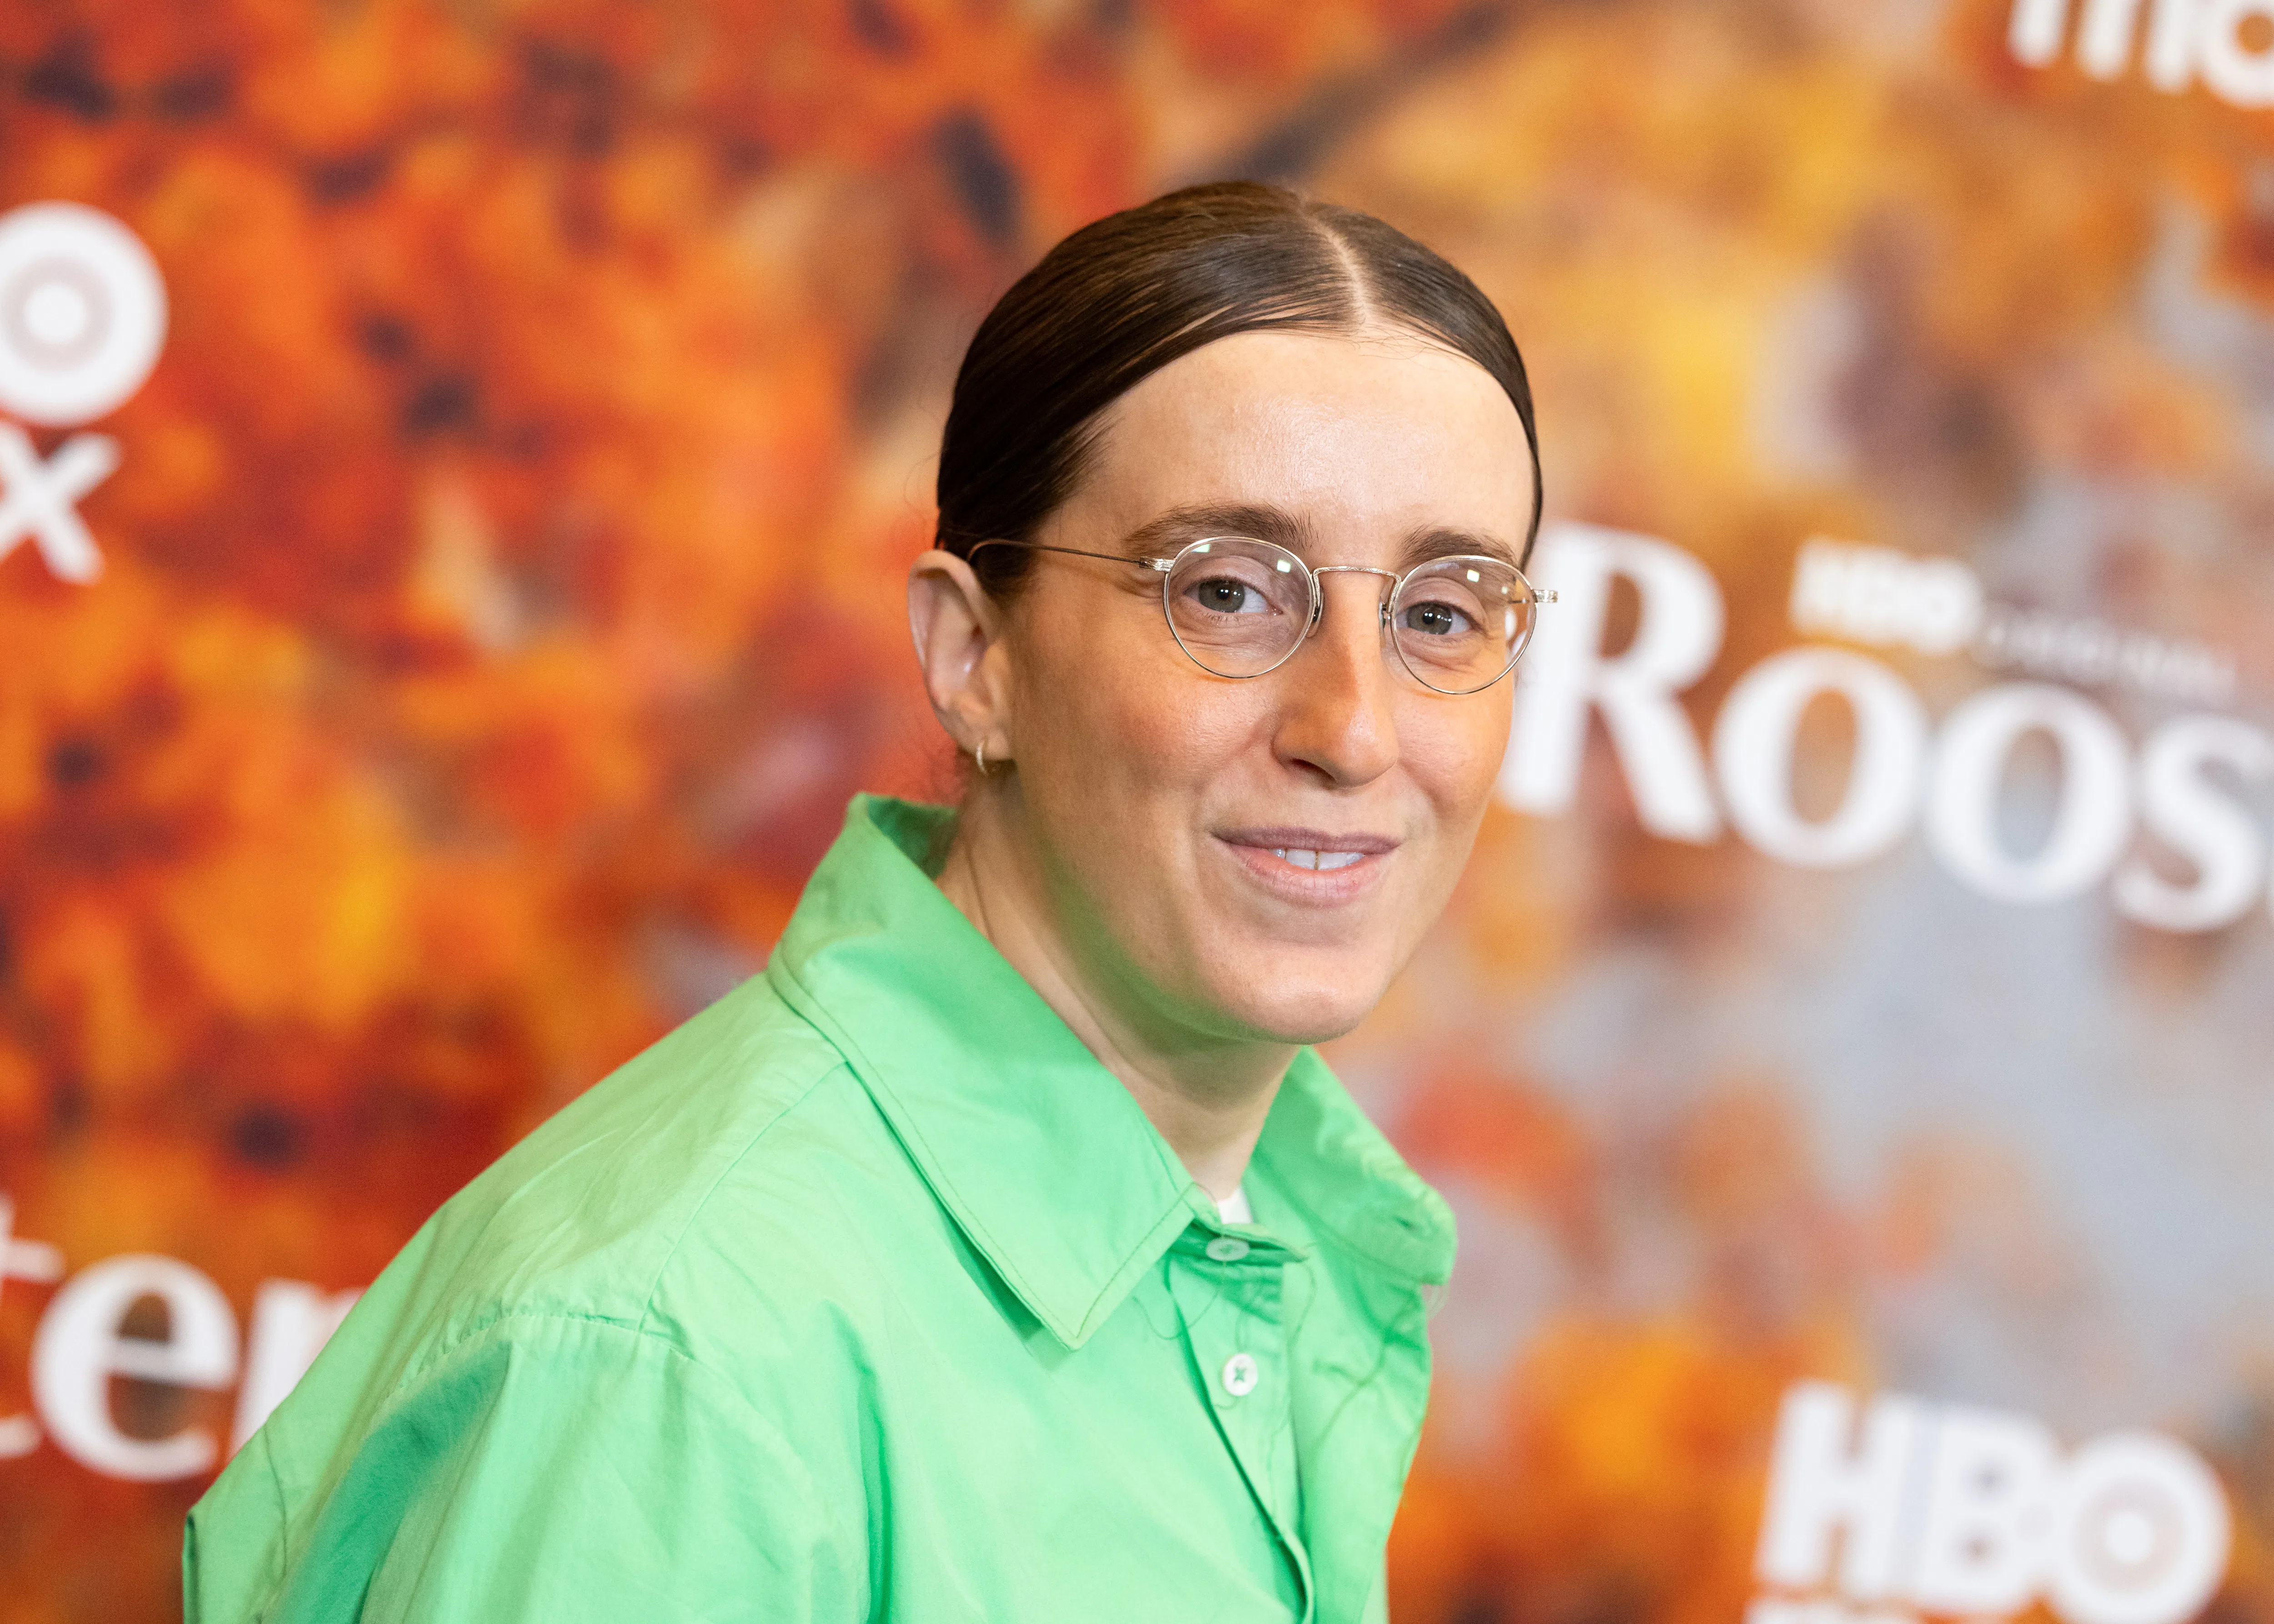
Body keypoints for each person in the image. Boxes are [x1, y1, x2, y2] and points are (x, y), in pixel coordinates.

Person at [183, 179, 1550, 1624]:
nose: (1354, 727)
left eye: (1443, 614)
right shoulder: (687, 1362)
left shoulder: (1280, 1249)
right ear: (975, 657)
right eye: (1226, 592)